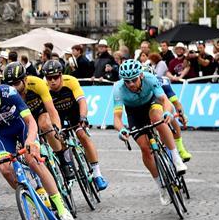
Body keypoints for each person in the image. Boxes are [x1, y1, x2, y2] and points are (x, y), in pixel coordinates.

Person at [0, 71, 76, 220]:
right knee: (5, 168)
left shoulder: (9, 93)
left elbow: (31, 121)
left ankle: (62, 209)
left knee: (32, 160)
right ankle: (34, 205)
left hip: (23, 127)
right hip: (3, 135)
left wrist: (31, 141)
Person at [112, 60, 188, 205]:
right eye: (127, 81)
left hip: (152, 104)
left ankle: (176, 159)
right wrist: (121, 130)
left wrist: (167, 112)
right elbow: (117, 118)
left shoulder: (150, 78)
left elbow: (165, 100)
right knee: (144, 148)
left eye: (134, 80)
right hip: (134, 113)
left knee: (157, 118)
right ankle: (161, 187)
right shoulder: (118, 88)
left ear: (141, 75)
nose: (131, 84)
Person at [42, 60, 108, 190]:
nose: (53, 81)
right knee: (58, 140)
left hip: (74, 112)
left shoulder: (70, 81)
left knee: (82, 135)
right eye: (49, 78)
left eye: (55, 77)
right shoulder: (44, 88)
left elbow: (82, 101)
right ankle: (67, 164)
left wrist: (83, 117)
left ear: (61, 75)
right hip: (58, 116)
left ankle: (97, 174)